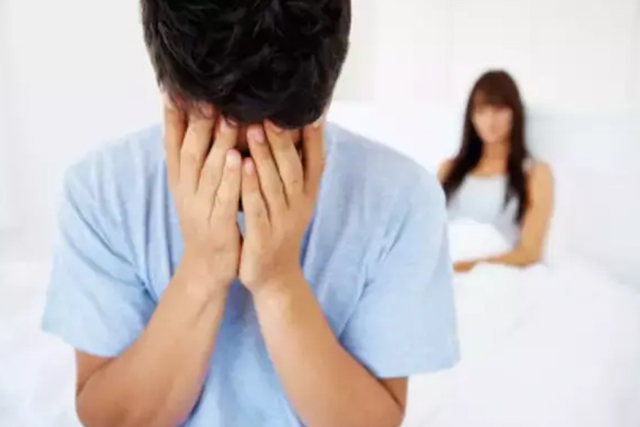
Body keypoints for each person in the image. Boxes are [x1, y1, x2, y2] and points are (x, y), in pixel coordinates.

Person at [42, 1, 459, 426]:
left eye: (276, 130)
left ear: (323, 99)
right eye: (220, 128)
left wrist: (279, 282)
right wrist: (202, 271)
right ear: (172, 95)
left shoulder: (402, 198)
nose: (244, 163)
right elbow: (110, 418)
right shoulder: (102, 189)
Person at [438, 70, 554, 273]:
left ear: (515, 113)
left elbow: (529, 252)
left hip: (495, 275)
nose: (490, 120)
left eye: (499, 109)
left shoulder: (535, 173)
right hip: (443, 271)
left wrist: (464, 268)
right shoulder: (449, 170)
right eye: (481, 111)